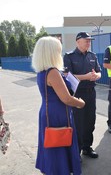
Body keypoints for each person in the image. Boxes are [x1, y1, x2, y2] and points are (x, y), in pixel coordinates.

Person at [32, 36, 85, 174]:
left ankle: (53, 169)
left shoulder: (42, 71)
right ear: (51, 52)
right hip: (57, 114)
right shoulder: (53, 72)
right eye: (58, 50)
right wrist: (80, 103)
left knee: (52, 144)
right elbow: (66, 99)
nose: (59, 53)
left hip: (48, 111)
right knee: (59, 142)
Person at [63, 32, 101, 159]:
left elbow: (99, 72)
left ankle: (87, 147)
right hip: (77, 94)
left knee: (90, 122)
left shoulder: (92, 55)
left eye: (90, 40)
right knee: (79, 123)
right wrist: (86, 77)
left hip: (91, 93)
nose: (89, 43)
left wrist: (96, 76)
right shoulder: (69, 56)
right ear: (78, 41)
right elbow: (67, 76)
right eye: (86, 40)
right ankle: (76, 151)